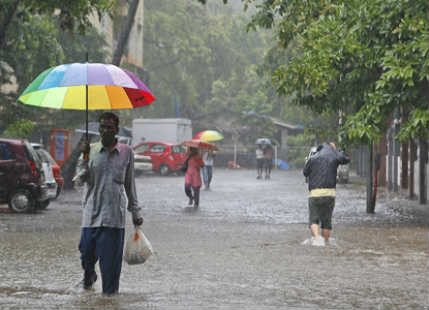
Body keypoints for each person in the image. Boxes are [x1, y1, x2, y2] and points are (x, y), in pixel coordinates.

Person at [74, 112, 143, 295]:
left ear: (116, 130)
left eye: (109, 128)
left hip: (114, 219)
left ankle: (109, 300)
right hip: (91, 215)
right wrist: (83, 162)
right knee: (86, 254)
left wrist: (135, 212)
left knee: (110, 270)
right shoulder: (90, 151)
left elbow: (130, 184)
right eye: (102, 127)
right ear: (98, 129)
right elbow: (79, 182)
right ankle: (89, 276)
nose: (105, 131)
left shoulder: (127, 152)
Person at [303, 142, 350, 246]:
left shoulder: (313, 157)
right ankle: (326, 243)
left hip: (315, 194)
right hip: (330, 194)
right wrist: (336, 150)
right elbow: (346, 159)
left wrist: (309, 159)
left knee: (313, 219)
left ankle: (317, 238)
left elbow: (305, 172)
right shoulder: (334, 156)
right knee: (327, 222)